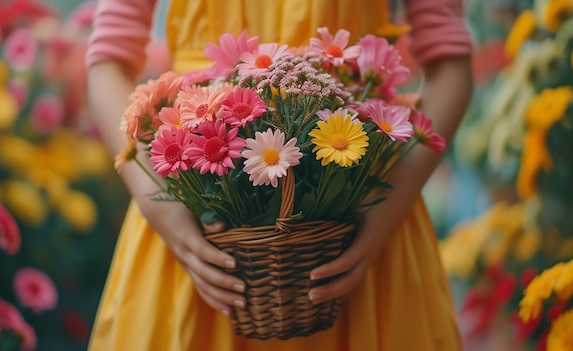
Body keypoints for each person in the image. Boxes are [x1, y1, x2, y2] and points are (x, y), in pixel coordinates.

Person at [85, 0, 473, 350]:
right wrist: (159, 203)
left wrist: (388, 202)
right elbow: (107, 61)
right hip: (193, 214)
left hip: (364, 214)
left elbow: (450, 62)